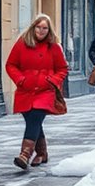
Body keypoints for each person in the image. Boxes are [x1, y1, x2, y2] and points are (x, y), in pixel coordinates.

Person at [5, 14, 68, 169]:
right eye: (38, 27)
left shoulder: (54, 46)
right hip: (25, 90)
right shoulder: (22, 43)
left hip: (45, 91)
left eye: (45, 28)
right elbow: (11, 65)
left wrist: (51, 81)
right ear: (33, 27)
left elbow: (62, 69)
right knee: (33, 121)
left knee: (35, 117)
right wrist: (21, 80)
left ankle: (25, 155)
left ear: (49, 30)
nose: (41, 31)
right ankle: (42, 153)